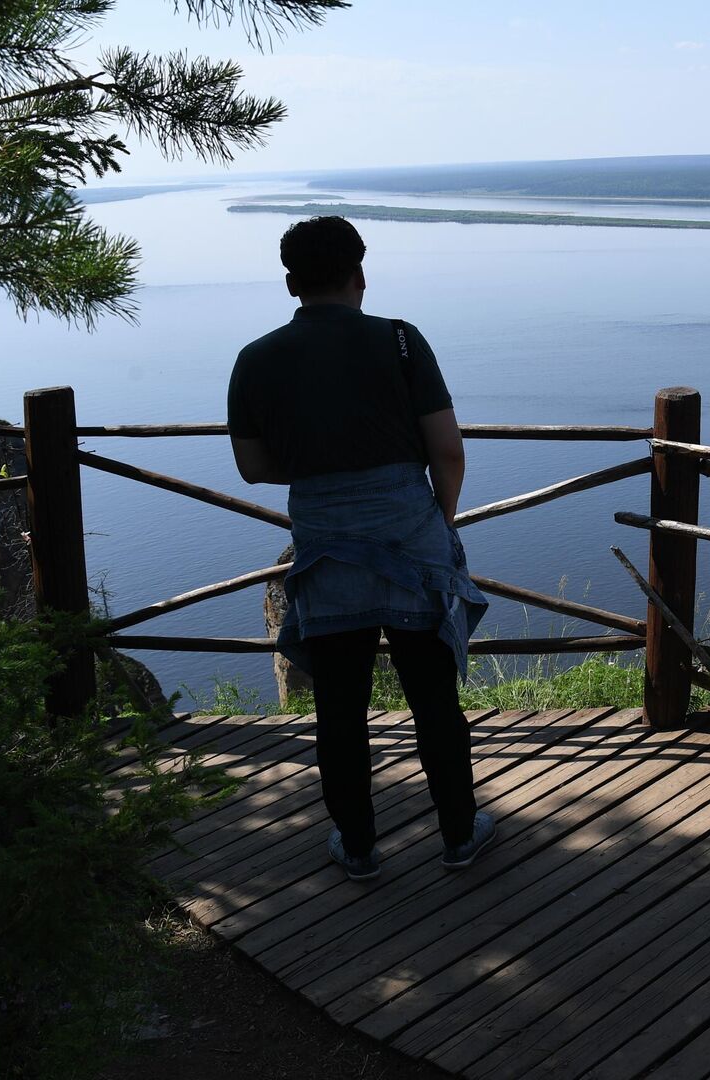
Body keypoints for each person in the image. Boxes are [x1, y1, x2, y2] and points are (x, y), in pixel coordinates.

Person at [227, 215, 493, 882]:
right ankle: (459, 837)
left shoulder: (255, 360)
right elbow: (448, 452)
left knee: (338, 708)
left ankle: (358, 846)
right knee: (434, 700)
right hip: (411, 542)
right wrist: (439, 522)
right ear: (359, 275)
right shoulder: (400, 342)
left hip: (324, 551)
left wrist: (330, 469)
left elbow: (253, 467)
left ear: (291, 283)